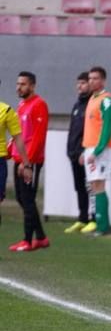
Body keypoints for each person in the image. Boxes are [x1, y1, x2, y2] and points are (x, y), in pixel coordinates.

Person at [8, 72, 49, 252]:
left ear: (32, 86)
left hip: (29, 161)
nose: (19, 87)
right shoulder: (22, 105)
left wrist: (27, 162)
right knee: (21, 198)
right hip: (19, 159)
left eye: (23, 84)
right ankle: (40, 237)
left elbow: (38, 137)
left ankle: (27, 240)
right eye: (18, 84)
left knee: (28, 199)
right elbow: (19, 135)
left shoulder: (39, 105)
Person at [80, 66, 111, 237]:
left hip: (100, 148)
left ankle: (103, 226)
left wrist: (98, 150)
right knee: (94, 186)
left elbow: (107, 128)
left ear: (103, 81)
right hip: (90, 147)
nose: (91, 81)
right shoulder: (92, 99)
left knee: (99, 185)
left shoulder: (106, 100)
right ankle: (100, 224)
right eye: (90, 78)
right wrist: (85, 150)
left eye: (95, 78)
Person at [64, 72, 93, 234]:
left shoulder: (91, 105)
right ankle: (82, 218)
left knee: (90, 187)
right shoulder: (77, 105)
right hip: (73, 153)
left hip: (85, 154)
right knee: (79, 187)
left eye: (83, 83)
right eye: (78, 83)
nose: (79, 86)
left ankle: (93, 218)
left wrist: (84, 150)